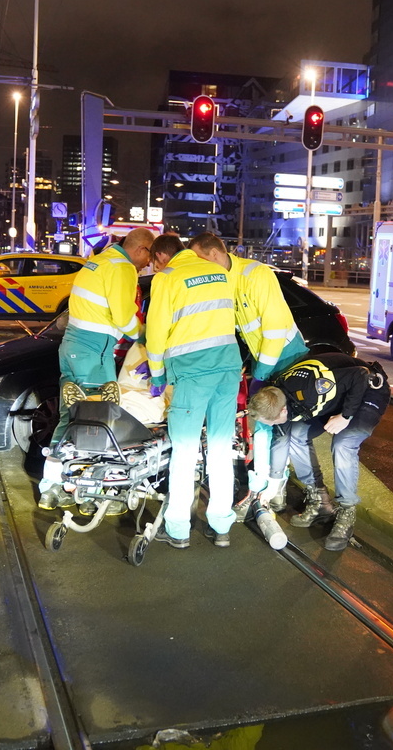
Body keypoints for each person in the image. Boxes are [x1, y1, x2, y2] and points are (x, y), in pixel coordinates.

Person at [188, 232, 310, 514]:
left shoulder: (256, 274)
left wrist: (262, 374)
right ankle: (268, 489)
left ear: (215, 255)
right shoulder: (224, 280)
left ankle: (278, 491)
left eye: (200, 260)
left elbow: (275, 329)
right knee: (271, 429)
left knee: (284, 429)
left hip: (287, 359)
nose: (199, 267)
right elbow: (240, 329)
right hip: (265, 362)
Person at [146, 233, 242, 549]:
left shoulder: (168, 277)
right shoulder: (218, 273)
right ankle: (221, 524)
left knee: (185, 450)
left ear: (161, 257)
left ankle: (177, 529)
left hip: (193, 373)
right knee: (219, 447)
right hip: (228, 368)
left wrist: (157, 374)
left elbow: (157, 331)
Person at [249, 353, 390, 551]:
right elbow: (281, 441)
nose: (272, 426)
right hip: (339, 395)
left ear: (282, 411)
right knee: (297, 434)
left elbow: (360, 374)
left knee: (343, 443)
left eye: (272, 422)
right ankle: (320, 501)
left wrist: (346, 416)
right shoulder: (277, 395)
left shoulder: (310, 390)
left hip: (368, 388)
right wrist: (273, 483)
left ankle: (346, 511)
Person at [49, 227, 155, 445]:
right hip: (93, 350)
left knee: (70, 416)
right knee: (97, 419)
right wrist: (146, 339)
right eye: (149, 256)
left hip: (72, 346)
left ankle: (53, 473)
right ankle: (89, 468)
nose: (148, 264)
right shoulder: (123, 268)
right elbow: (124, 318)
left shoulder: (102, 260)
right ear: (141, 249)